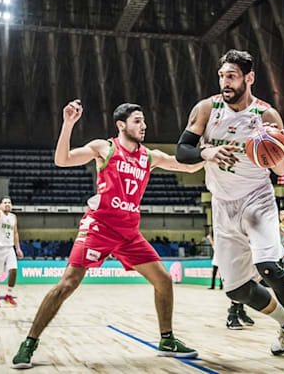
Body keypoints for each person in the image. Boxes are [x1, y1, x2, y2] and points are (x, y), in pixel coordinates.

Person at [175, 49, 284, 373]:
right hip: (222, 205)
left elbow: (283, 168)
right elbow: (183, 151)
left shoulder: (266, 115)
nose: (225, 82)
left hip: (257, 200)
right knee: (237, 289)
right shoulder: (207, 108)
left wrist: (269, 150)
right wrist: (206, 152)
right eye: (222, 76)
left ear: (249, 78)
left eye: (232, 76)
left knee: (269, 267)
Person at [11, 101, 203, 369]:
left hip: (129, 234)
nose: (144, 125)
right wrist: (68, 124)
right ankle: (29, 343)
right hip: (99, 228)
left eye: (144, 120)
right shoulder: (105, 148)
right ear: (121, 125)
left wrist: (210, 153)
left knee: (163, 280)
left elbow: (189, 167)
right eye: (137, 121)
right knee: (67, 284)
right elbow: (62, 160)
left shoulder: (150, 156)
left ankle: (167, 340)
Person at [0, 197, 24, 307]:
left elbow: (15, 233)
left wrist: (18, 248)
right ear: (1, 204)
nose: (7, 204)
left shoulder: (13, 217)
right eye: (5, 202)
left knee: (14, 270)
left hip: (9, 248)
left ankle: (8, 295)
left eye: (9, 202)